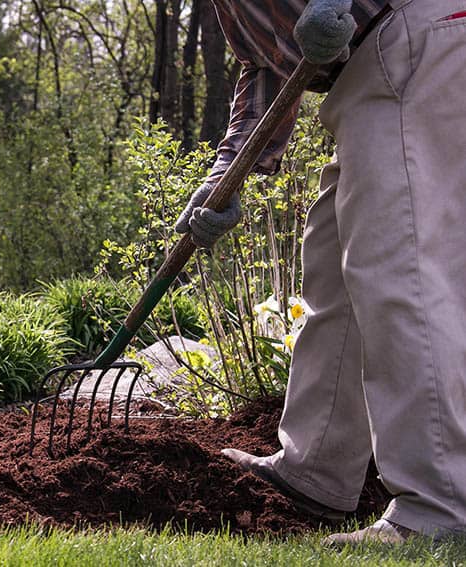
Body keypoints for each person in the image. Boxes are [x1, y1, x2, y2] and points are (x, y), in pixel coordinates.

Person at [176, 0, 466, 546]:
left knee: (399, 266)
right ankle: (315, 470)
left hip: (414, 34)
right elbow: (266, 67)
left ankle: (441, 507)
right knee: (334, 264)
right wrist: (225, 176)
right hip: (374, 65)